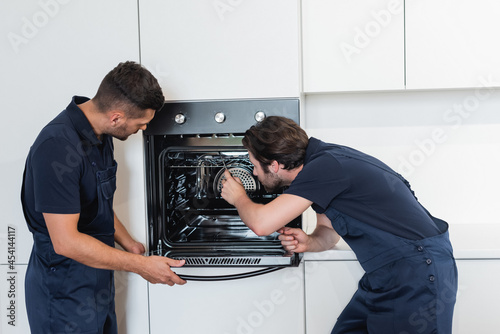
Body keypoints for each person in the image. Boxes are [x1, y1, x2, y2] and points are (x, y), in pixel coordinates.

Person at [221, 116, 458, 334]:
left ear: (274, 165)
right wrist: (310, 241)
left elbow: (261, 224)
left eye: (254, 164)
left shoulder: (325, 167)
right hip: (388, 274)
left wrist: (238, 197)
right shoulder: (320, 164)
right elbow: (329, 233)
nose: (254, 172)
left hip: (415, 271)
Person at [21, 61, 186, 334]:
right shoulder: (57, 147)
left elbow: (97, 204)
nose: (144, 128)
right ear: (117, 117)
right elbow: (65, 242)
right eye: (141, 123)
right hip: (63, 290)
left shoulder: (101, 134)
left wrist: (129, 244)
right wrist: (141, 266)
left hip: (97, 280)